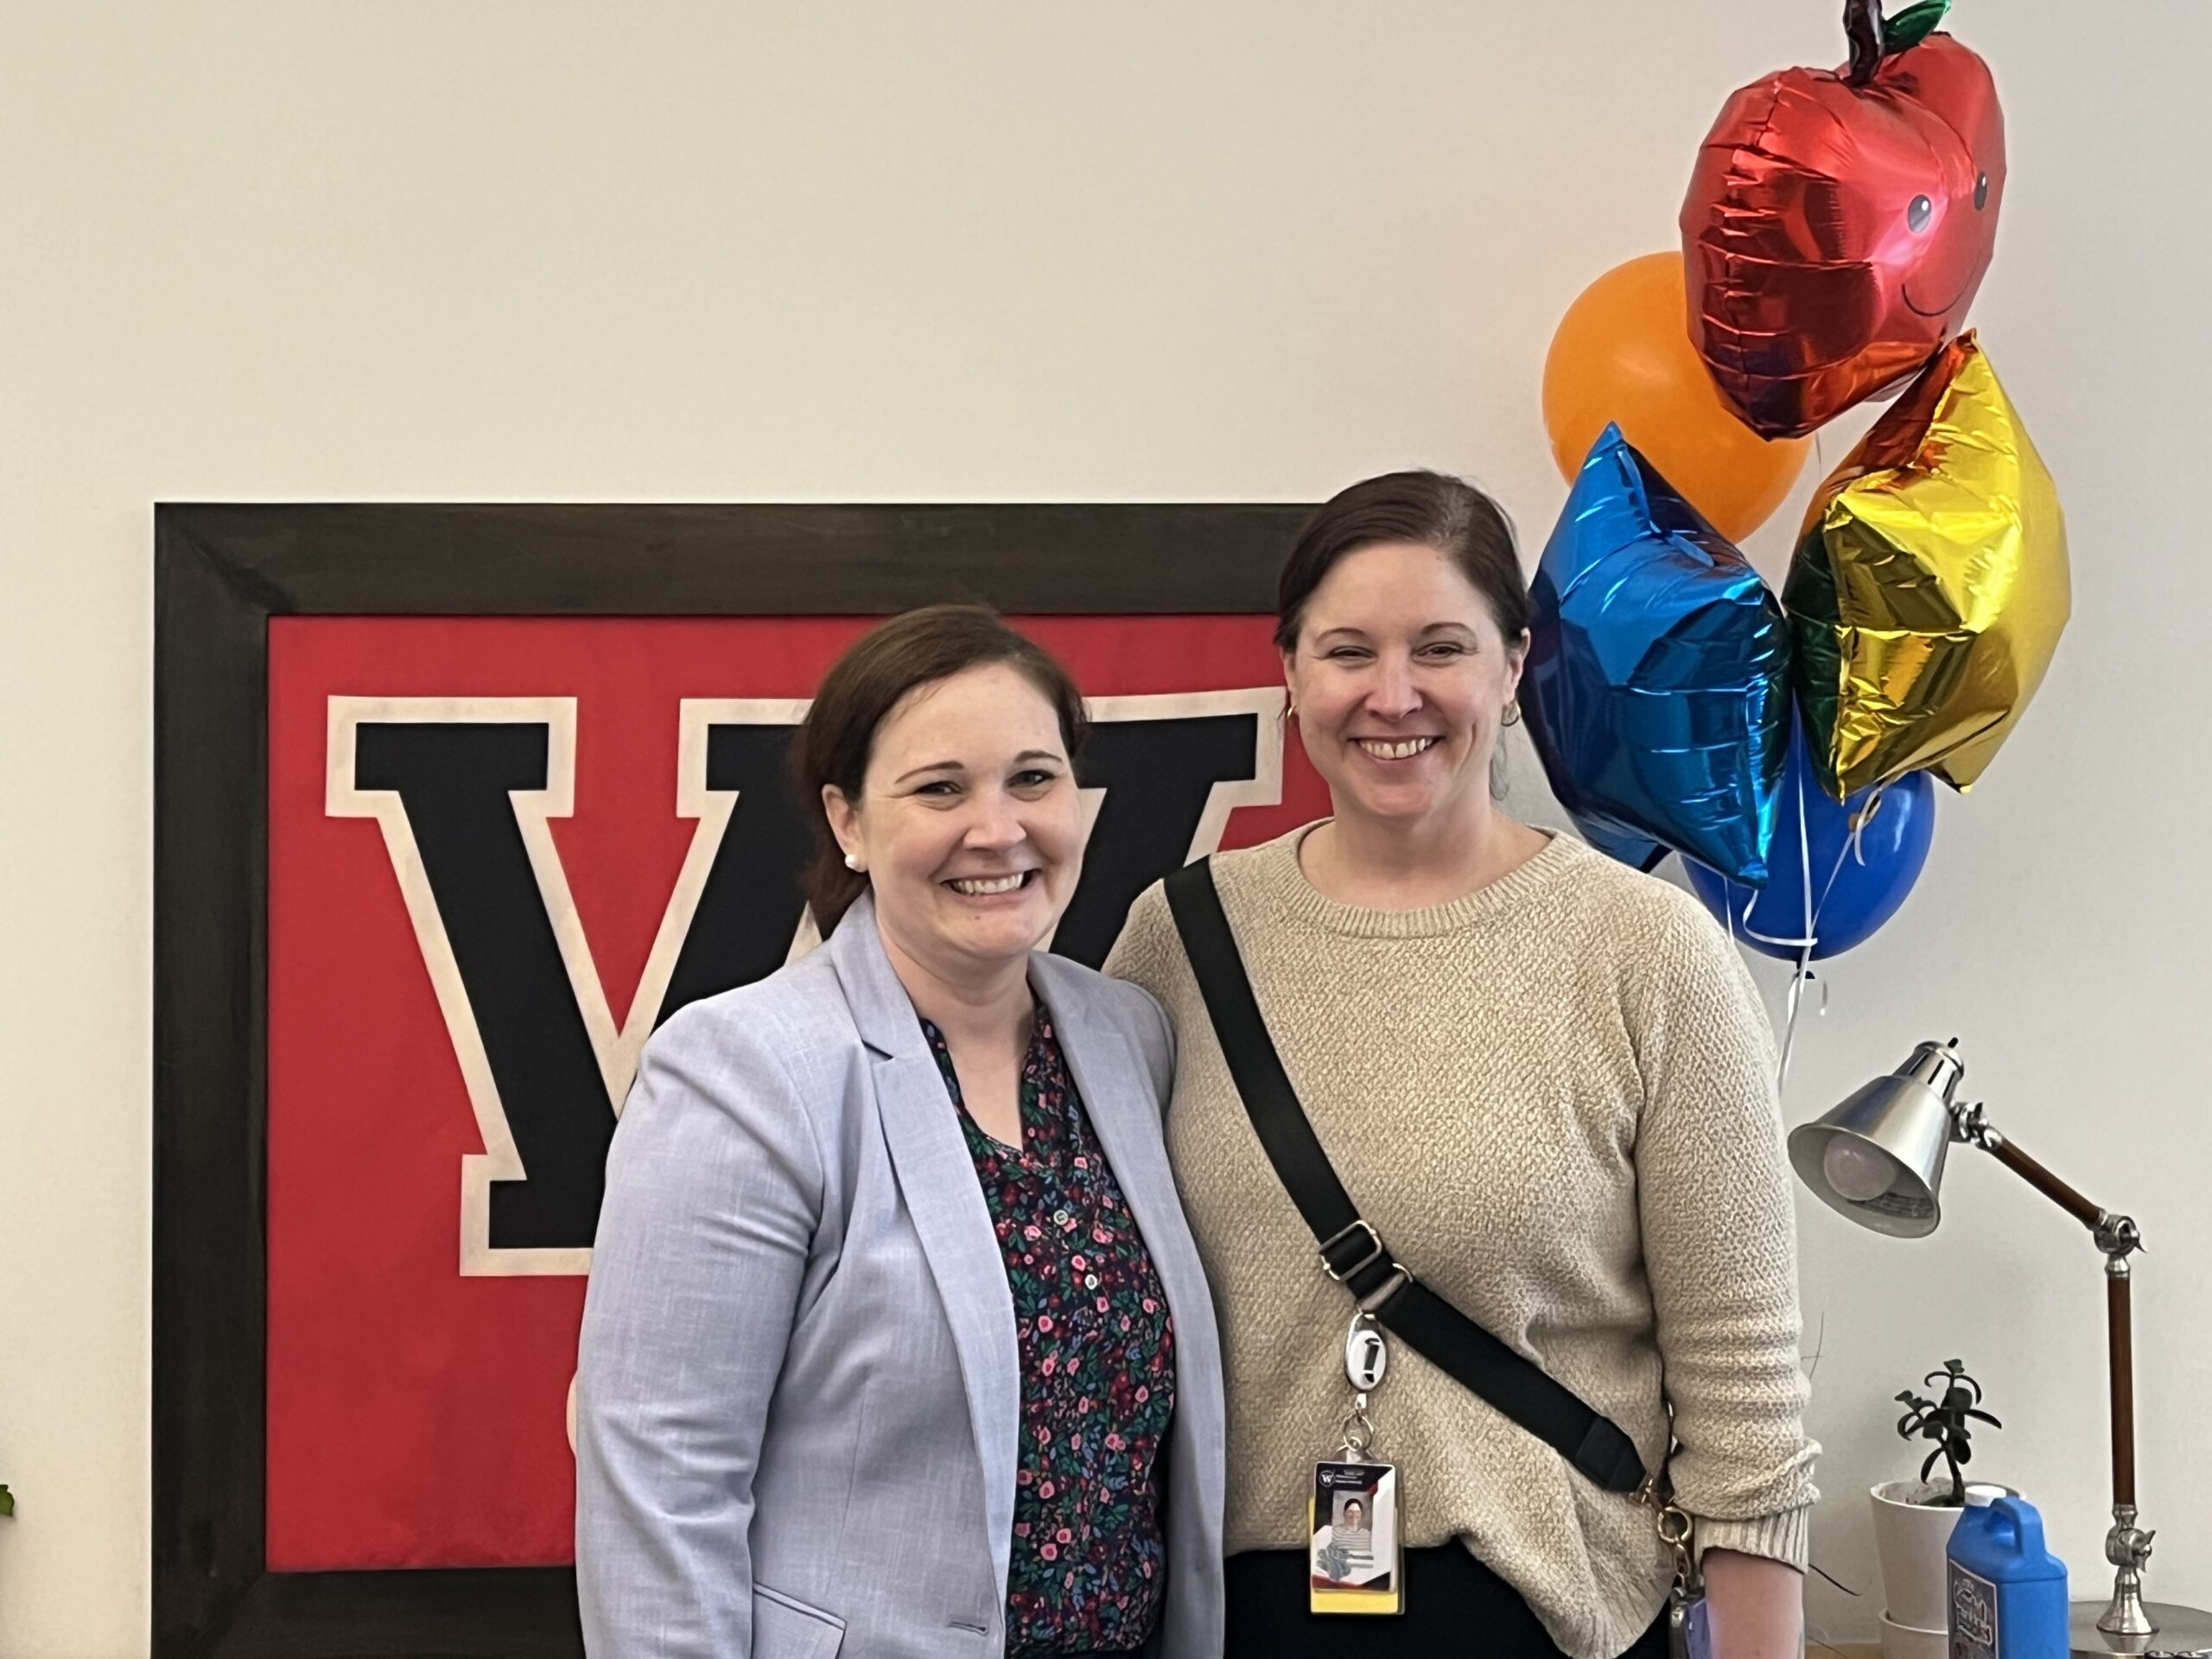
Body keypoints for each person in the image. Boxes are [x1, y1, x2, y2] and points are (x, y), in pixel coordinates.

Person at [1105, 473, 1816, 1659]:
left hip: (1545, 1613)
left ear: (1512, 666)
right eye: (1348, 652)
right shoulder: (1176, 939)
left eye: (1441, 646)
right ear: (1292, 676)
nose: (1394, 696)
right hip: (1237, 1618)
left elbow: (1744, 1378)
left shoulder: (1643, 950)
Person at [577, 605, 1225, 1659]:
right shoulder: (745, 1071)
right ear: (846, 821)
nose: (998, 828)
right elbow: (660, 1487)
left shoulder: (1126, 1037)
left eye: (1033, 778)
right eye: (939, 788)